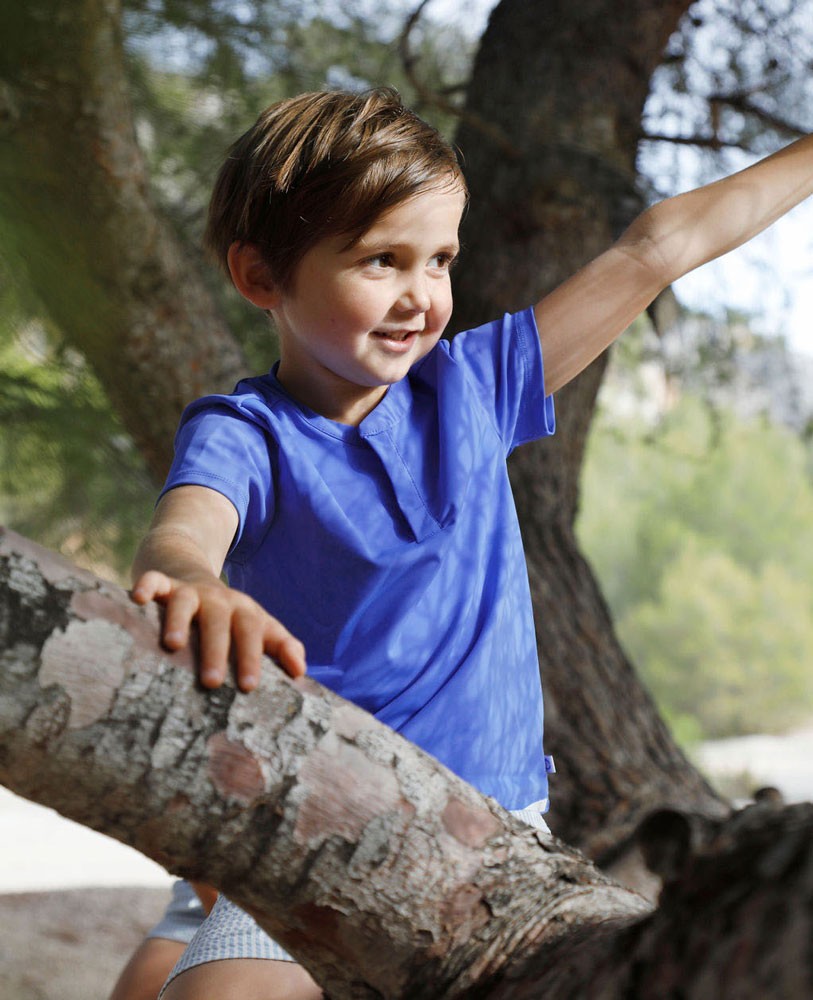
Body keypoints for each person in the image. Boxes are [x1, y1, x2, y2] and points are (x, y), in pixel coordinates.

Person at [115, 86, 813, 999]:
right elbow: (184, 531)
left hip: (479, 826)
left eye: (439, 259)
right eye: (381, 261)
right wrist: (186, 576)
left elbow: (656, 248)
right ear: (260, 279)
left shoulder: (476, 388)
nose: (421, 295)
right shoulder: (247, 431)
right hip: (307, 807)